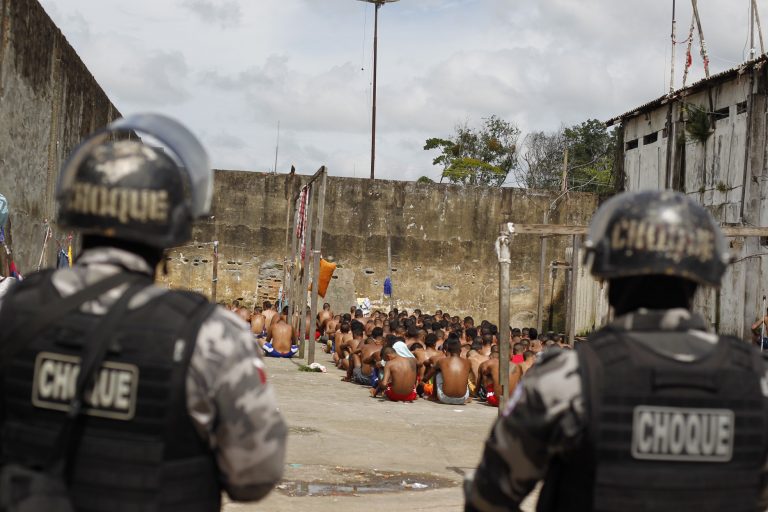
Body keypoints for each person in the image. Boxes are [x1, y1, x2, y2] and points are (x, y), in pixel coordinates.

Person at [0, 114, 287, 510]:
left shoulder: (12, 308)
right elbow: (255, 475)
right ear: (170, 231)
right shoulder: (211, 337)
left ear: (78, 213)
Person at [465, 190, 768, 511]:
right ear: (700, 281)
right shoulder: (756, 380)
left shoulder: (568, 380)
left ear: (607, 281)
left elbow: (487, 499)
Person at [423, 337, 471, 405]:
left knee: (437, 372)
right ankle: (467, 396)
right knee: (464, 374)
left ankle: (433, 396)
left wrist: (422, 382)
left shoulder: (441, 361)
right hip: (463, 398)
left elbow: (427, 376)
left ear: (448, 350)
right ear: (460, 351)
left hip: (445, 398)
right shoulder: (468, 362)